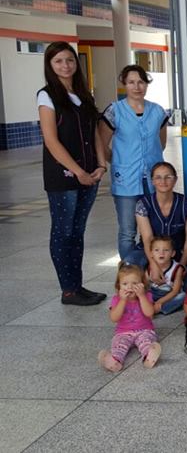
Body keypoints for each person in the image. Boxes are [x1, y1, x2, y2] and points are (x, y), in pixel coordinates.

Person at [38, 42, 108, 306]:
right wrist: (78, 172)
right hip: (64, 177)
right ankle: (68, 290)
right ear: (50, 65)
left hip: (90, 174)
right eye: (58, 61)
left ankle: (77, 286)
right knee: (63, 232)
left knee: (77, 232)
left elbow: (95, 133)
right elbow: (51, 141)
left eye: (69, 60)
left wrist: (101, 164)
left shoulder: (84, 94)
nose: (65, 66)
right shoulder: (46, 96)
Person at [99, 65, 169, 262]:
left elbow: (161, 143)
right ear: (124, 84)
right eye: (131, 82)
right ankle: (129, 271)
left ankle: (151, 268)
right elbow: (102, 144)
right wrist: (119, 162)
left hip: (155, 180)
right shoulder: (114, 111)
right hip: (126, 180)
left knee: (154, 227)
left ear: (147, 84)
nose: (137, 87)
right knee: (127, 230)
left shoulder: (157, 111)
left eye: (141, 82)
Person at [132, 162, 187, 287]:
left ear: (175, 180)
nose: (163, 181)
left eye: (168, 177)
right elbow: (148, 239)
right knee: (129, 268)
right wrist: (153, 264)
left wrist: (181, 266)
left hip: (177, 252)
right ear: (152, 181)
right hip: (150, 252)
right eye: (158, 177)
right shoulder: (143, 204)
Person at [98, 263, 161, 372]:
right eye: (125, 284)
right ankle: (115, 361)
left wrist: (141, 296)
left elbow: (149, 313)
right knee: (119, 344)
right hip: (123, 332)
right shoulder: (117, 299)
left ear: (142, 284)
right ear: (119, 286)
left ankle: (148, 356)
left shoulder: (146, 296)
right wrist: (123, 301)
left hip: (144, 330)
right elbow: (114, 318)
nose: (130, 287)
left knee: (146, 341)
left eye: (135, 283)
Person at [145, 236, 185, 315]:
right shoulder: (150, 267)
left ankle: (158, 309)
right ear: (151, 253)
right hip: (152, 293)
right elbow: (145, 286)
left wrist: (160, 301)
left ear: (172, 253)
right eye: (157, 250)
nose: (161, 253)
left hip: (168, 295)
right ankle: (149, 307)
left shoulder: (177, 268)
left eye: (166, 250)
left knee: (183, 296)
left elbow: (175, 291)